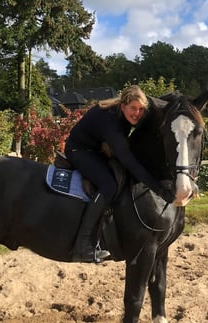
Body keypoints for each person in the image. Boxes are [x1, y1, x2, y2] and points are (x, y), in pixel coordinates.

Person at [64, 85, 177, 263]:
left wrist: (174, 100)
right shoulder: (111, 121)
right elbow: (129, 161)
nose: (137, 113)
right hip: (79, 150)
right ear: (123, 105)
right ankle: (82, 245)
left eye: (141, 109)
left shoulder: (127, 113)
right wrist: (159, 189)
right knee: (108, 185)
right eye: (133, 108)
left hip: (96, 149)